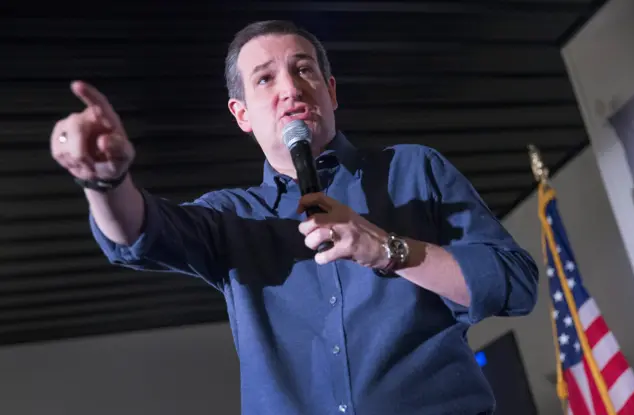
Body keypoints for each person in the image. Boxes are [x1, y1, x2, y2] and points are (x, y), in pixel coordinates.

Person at [50, 20, 539, 415]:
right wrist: (106, 182)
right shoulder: (232, 216)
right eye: (265, 78)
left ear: (330, 90)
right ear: (241, 114)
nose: (290, 88)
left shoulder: (414, 169)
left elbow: (514, 285)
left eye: (303, 71)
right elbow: (138, 234)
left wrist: (387, 248)